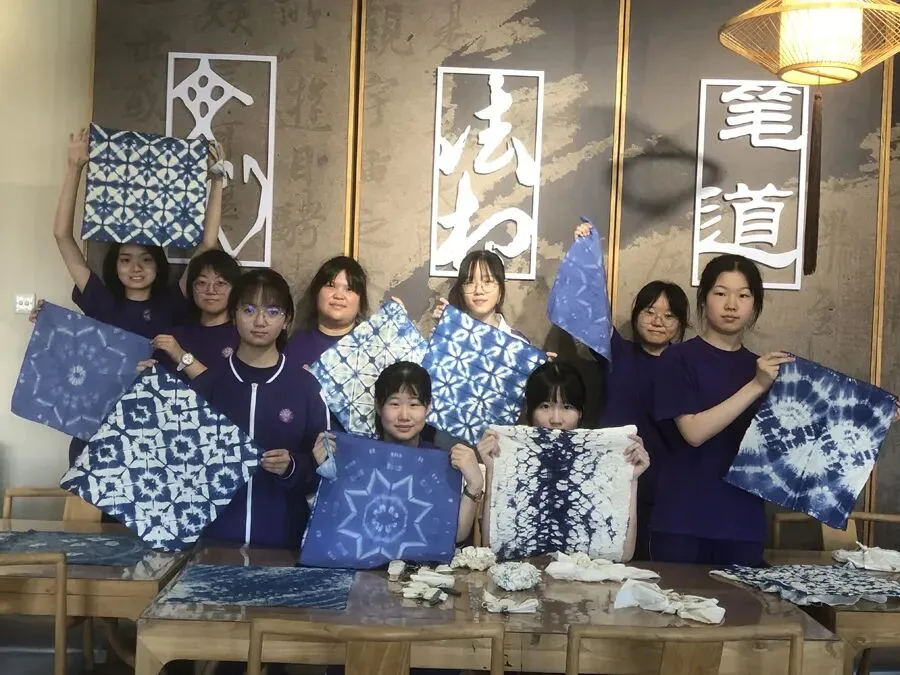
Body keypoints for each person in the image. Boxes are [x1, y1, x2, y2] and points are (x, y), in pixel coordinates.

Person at [53, 128, 223, 463]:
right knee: (89, 496)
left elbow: (207, 245)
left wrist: (216, 181)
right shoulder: (101, 301)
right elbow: (62, 236)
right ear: (114, 266)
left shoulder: (171, 304)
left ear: (158, 266)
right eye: (126, 259)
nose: (135, 268)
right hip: (98, 424)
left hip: (154, 431)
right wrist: (74, 168)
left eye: (146, 259)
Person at [143, 268, 327, 550]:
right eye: (249, 309)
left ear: (286, 319)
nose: (260, 321)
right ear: (233, 315)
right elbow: (169, 463)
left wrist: (292, 467)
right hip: (210, 544)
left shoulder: (306, 387)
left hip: (283, 545)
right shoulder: (207, 384)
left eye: (272, 311)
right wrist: (142, 394)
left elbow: (324, 470)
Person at [650, 254, 792, 567]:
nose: (731, 305)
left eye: (743, 296)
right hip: (682, 521)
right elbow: (693, 432)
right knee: (676, 601)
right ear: (703, 299)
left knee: (740, 602)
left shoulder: (765, 369)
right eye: (720, 293)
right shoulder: (677, 359)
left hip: (743, 523)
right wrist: (756, 385)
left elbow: (799, 442)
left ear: (755, 305)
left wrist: (872, 420)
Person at [478, 360, 650, 561]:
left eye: (567, 406)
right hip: (522, 574)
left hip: (582, 578)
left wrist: (631, 478)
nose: (556, 419)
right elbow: (492, 546)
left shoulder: (601, 462)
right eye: (545, 406)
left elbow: (622, 552)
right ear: (529, 410)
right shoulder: (509, 455)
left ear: (581, 412)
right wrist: (494, 471)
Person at [312, 361, 484, 545]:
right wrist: (327, 473)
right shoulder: (353, 460)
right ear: (378, 406)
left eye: (414, 404)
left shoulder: (443, 464)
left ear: (428, 407)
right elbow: (335, 525)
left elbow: (454, 536)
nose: (404, 415)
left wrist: (475, 484)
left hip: (420, 562)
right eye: (394, 404)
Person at [153, 249, 241, 376]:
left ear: (235, 289)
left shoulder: (243, 338)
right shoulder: (172, 336)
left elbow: (225, 386)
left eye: (221, 283)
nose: (211, 290)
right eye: (202, 283)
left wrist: (181, 355)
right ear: (191, 288)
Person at [287, 255, 370, 366]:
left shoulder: (372, 347)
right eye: (330, 286)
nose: (339, 296)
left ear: (361, 301)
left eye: (349, 289)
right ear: (316, 293)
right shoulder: (296, 344)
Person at [433, 249, 527, 341]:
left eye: (487, 282)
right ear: (461, 291)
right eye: (470, 282)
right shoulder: (447, 334)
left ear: (501, 291)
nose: (478, 291)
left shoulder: (518, 343)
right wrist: (442, 333)